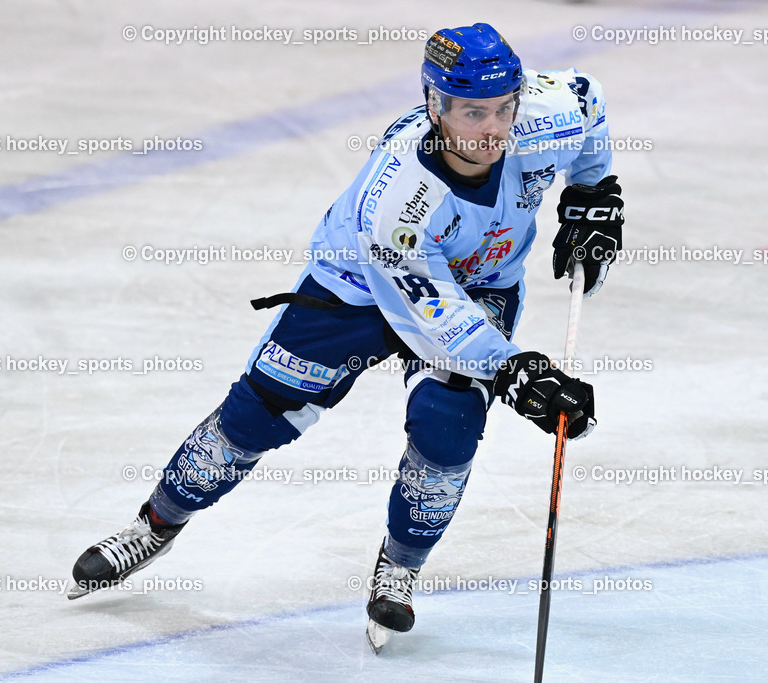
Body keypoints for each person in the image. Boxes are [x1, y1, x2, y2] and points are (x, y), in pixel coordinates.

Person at [68, 22, 624, 651]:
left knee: (447, 426)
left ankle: (400, 567)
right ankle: (157, 523)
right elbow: (432, 317)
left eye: (504, 108)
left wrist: (594, 193)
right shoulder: (400, 201)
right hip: (358, 281)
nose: (494, 128)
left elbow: (590, 101)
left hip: (480, 280)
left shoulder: (547, 113)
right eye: (473, 112)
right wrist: (515, 370)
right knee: (257, 416)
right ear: (434, 105)